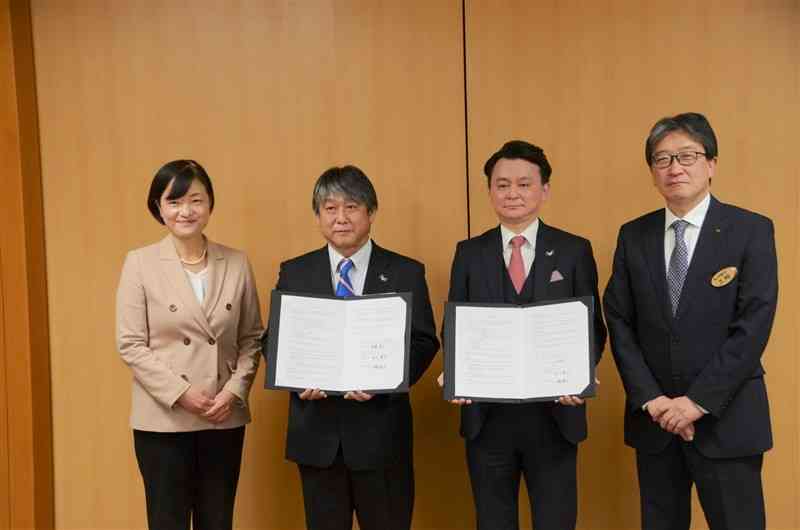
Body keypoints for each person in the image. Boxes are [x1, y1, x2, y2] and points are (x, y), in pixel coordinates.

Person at [603, 112, 778, 530]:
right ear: (652, 172)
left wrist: (695, 402)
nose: (675, 168)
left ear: (712, 164)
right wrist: (652, 399)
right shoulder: (634, 235)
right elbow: (620, 320)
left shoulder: (750, 230)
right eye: (662, 160)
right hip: (656, 422)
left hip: (727, 420)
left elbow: (753, 324)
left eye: (687, 155)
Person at [443, 140, 607, 530]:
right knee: (492, 521)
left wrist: (579, 375)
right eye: (502, 184)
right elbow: (455, 326)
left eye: (523, 184)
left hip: (555, 416)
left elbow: (593, 327)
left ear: (544, 190)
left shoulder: (573, 250)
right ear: (489, 191)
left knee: (556, 521)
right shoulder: (469, 252)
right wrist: (456, 371)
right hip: (487, 418)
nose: (512, 193)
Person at [265, 165, 439, 530]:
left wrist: (386, 380)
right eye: (330, 209)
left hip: (382, 436)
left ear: (371, 212)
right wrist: (296, 379)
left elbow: (424, 340)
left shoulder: (406, 271)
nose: (340, 218)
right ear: (318, 216)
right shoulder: (296, 272)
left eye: (351, 207)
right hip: (317, 438)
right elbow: (275, 340)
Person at [116, 160, 263, 530]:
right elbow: (131, 343)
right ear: (159, 208)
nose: (186, 211)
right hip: (163, 420)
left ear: (210, 205)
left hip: (222, 415)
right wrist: (181, 393)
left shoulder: (237, 262)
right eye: (174, 201)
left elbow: (252, 338)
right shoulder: (140, 263)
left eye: (196, 200)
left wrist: (233, 392)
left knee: (218, 521)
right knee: (168, 522)